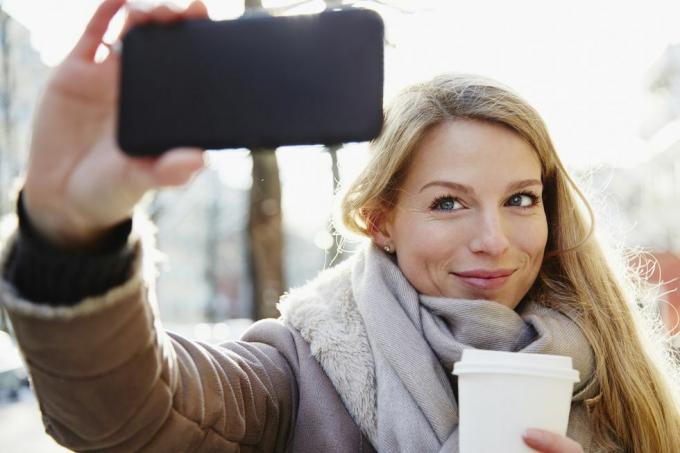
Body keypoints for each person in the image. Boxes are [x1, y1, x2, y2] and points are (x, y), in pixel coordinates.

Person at [1, 0, 679, 452]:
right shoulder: (303, 369)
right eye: (448, 202)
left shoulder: (613, 368)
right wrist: (71, 231)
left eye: (520, 199)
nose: (494, 239)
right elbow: (134, 411)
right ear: (380, 219)